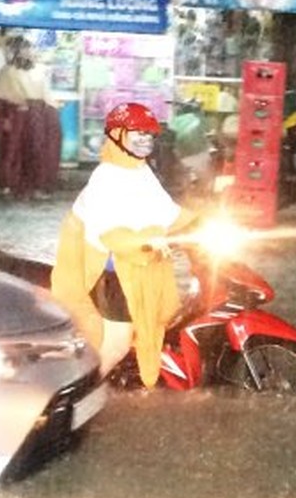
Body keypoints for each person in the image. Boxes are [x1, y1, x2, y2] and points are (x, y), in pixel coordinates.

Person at [50, 103, 199, 389]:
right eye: (137, 133)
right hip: (111, 272)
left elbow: (164, 209)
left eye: (149, 134)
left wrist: (201, 221)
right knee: (115, 346)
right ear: (118, 134)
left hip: (136, 266)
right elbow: (108, 230)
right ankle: (77, 398)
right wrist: (145, 241)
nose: (145, 140)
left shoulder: (139, 171)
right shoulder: (105, 177)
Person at [0, 35, 61, 199]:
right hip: (17, 115)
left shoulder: (39, 69)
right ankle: (13, 185)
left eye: (30, 48)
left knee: (38, 150)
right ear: (17, 51)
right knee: (15, 151)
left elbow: (45, 93)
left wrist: (51, 107)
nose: (29, 52)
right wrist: (8, 116)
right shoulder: (8, 71)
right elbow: (3, 97)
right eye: (25, 49)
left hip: (39, 115)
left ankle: (37, 186)